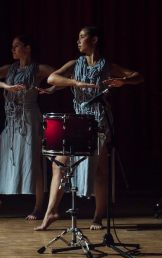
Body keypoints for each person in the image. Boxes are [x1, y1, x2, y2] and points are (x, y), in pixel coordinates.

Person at [35, 26, 144, 230]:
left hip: (99, 119)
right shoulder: (74, 63)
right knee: (59, 163)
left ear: (94, 40)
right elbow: (52, 78)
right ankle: (51, 212)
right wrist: (75, 83)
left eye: (82, 37)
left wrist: (124, 81)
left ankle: (98, 216)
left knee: (100, 171)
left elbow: (139, 76)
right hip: (79, 119)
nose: (78, 41)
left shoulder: (107, 65)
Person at [0, 35, 56, 220]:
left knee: (34, 163)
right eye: (12, 46)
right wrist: (5, 85)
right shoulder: (10, 69)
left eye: (16, 46)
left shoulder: (38, 69)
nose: (13, 49)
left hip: (29, 118)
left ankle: (38, 208)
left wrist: (52, 89)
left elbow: (61, 77)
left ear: (27, 48)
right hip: (13, 119)